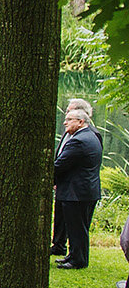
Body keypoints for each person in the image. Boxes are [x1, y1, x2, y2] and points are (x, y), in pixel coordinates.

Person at [53, 104, 104, 269]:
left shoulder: (79, 141)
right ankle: (73, 255)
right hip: (85, 190)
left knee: (77, 228)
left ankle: (78, 260)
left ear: (81, 122)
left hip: (77, 192)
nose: (65, 123)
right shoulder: (91, 136)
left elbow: (60, 165)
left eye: (69, 120)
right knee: (78, 227)